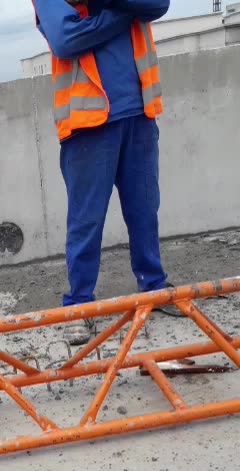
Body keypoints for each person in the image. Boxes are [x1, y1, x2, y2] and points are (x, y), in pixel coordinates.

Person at [33, 0, 178, 345]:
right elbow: (65, 40)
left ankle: (154, 286)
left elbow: (158, 4)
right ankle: (79, 306)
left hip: (139, 114)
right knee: (86, 222)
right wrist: (127, 11)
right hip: (87, 127)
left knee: (145, 212)